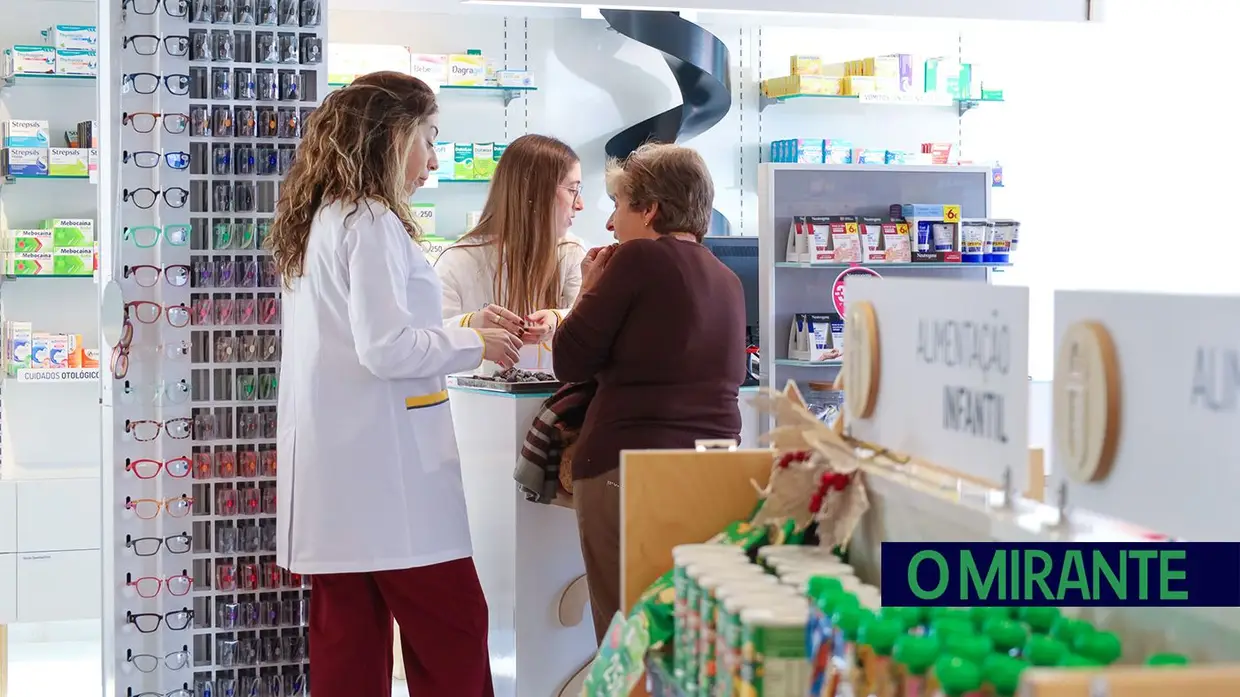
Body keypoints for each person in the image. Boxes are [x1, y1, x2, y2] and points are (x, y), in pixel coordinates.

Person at [268, 70, 521, 697]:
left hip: (336, 474)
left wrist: (462, 323)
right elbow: (385, 348)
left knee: (348, 646)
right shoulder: (373, 220)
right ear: (392, 136)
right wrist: (475, 343)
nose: (432, 159)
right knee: (454, 632)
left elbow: (363, 335)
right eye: (429, 139)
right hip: (391, 480)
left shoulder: (325, 218)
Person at [551, 142, 747, 641]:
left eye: (618, 206)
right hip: (711, 474)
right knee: (687, 636)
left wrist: (588, 286)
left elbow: (568, 360)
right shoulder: (727, 278)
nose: (612, 224)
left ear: (651, 209)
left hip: (628, 470)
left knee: (628, 639)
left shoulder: (635, 260)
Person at [435, 134, 587, 372]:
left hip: (554, 404)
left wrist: (557, 319)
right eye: (572, 190)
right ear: (535, 193)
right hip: (480, 404)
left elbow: (594, 326)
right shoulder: (459, 260)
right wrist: (472, 324)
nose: (580, 204)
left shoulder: (571, 253)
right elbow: (426, 341)